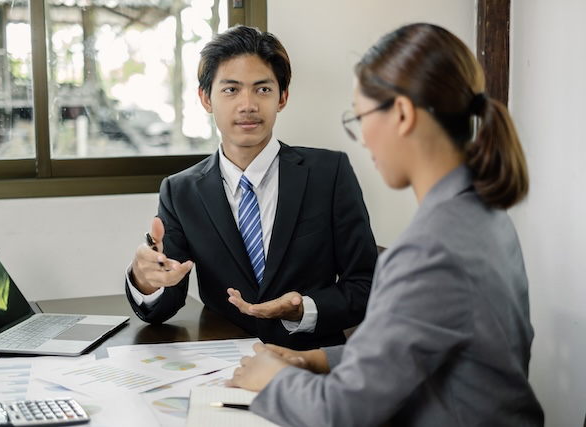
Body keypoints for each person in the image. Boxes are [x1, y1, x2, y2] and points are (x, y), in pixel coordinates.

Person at [227, 23, 545, 426]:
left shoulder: (432, 248)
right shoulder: (480, 213)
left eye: (360, 117)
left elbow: (345, 412)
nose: (362, 139)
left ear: (402, 114)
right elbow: (411, 348)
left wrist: (273, 380)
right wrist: (314, 358)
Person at [124, 25, 378, 350]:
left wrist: (304, 308)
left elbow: (366, 284)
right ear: (206, 99)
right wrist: (146, 281)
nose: (248, 105)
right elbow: (166, 302)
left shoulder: (329, 174)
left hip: (310, 360)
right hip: (220, 362)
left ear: (282, 97)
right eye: (231, 90)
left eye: (262, 89)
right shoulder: (180, 191)